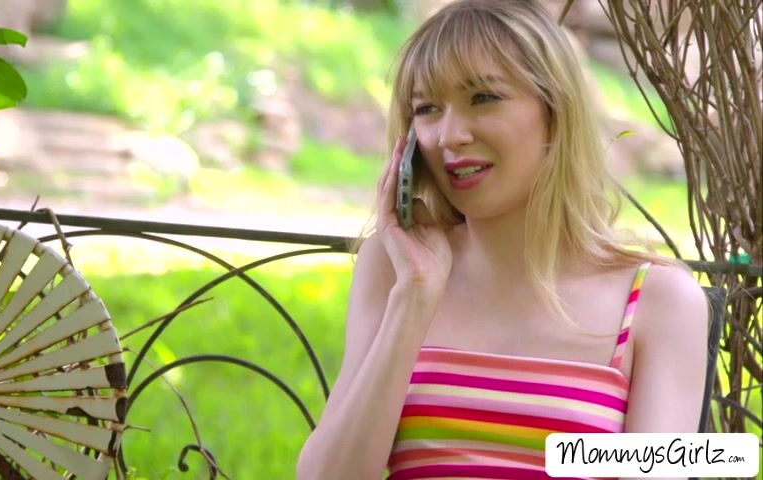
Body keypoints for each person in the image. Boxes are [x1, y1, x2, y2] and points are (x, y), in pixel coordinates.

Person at [296, 0, 709, 478]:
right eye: (427, 109)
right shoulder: (394, 268)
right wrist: (414, 297)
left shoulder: (658, 301)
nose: (449, 136)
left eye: (483, 97)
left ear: (556, 111)